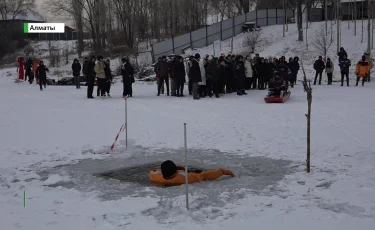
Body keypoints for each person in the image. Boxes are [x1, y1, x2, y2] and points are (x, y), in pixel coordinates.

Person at [149, 160, 235, 186]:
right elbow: (206, 176)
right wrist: (223, 171)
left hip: (170, 175)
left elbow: (154, 170)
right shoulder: (186, 178)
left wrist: (177, 168)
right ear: (175, 170)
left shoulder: (154, 175)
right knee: (198, 171)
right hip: (184, 176)